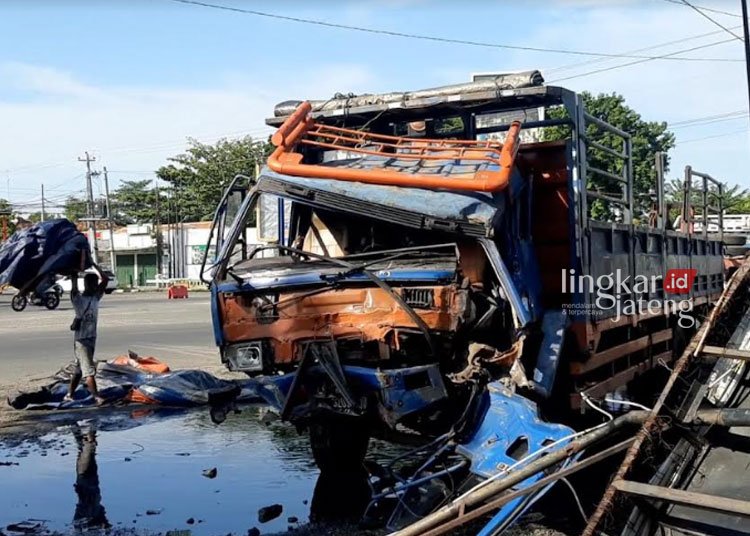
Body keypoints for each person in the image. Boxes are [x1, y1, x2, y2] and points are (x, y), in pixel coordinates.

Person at [65, 265, 109, 405]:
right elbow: (73, 289)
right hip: (82, 340)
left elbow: (106, 279)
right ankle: (96, 396)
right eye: (92, 283)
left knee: (79, 369)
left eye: (96, 283)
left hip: (91, 338)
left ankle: (69, 394)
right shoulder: (78, 299)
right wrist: (74, 276)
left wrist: (95, 266)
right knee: (89, 369)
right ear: (86, 284)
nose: (95, 286)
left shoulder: (95, 298)